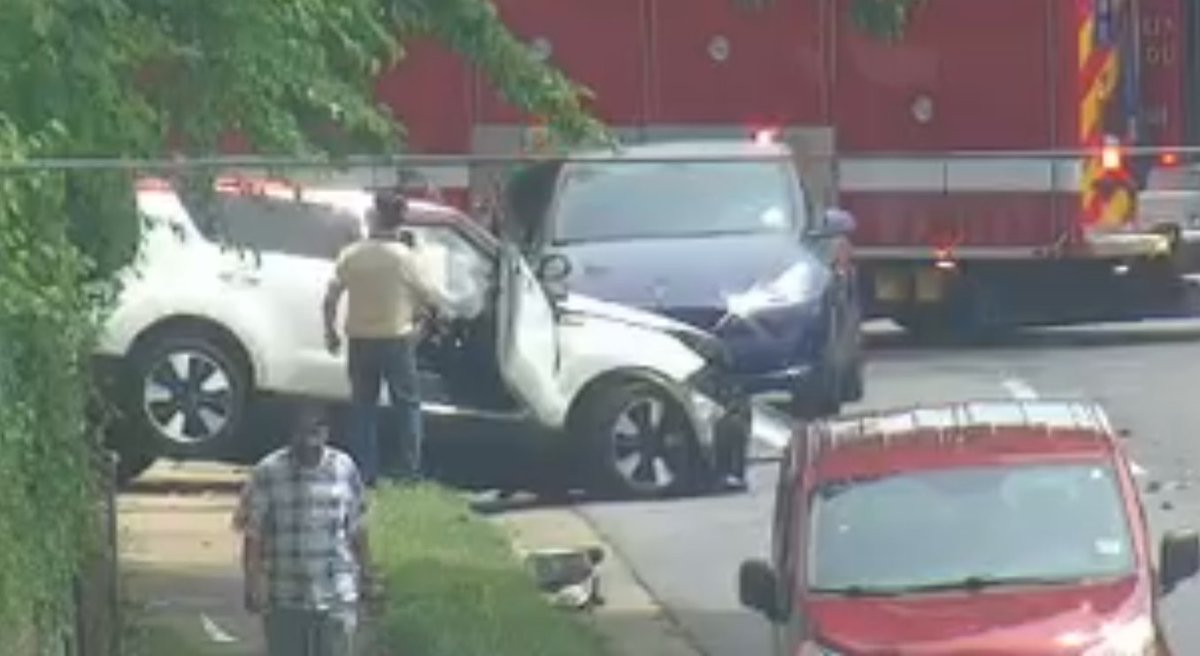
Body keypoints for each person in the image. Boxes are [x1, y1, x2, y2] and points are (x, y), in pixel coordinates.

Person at [233, 402, 376, 656]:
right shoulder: (268, 471)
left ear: (327, 432)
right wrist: (252, 582)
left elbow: (357, 528)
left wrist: (368, 577)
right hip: (286, 594)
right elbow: (253, 534)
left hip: (336, 593)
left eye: (317, 429)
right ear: (291, 433)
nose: (310, 440)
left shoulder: (344, 468)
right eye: (303, 431)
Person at [322, 189, 443, 485]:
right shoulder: (406, 259)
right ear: (400, 221)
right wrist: (422, 328)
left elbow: (330, 298)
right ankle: (408, 471)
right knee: (407, 406)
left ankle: (365, 471)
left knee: (363, 408)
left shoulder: (352, 255)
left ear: (374, 216)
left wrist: (330, 332)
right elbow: (431, 299)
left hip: (360, 340)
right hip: (396, 340)